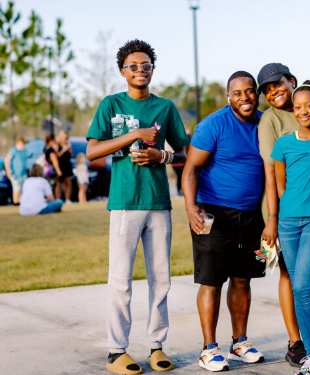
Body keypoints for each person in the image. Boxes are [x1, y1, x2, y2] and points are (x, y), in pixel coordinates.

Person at [86, 39, 189, 375]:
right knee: (120, 280)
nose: (140, 70)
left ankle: (156, 346)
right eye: (133, 66)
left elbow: (186, 154)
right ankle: (117, 351)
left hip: (159, 201)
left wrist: (162, 155)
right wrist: (134, 136)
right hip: (125, 203)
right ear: (123, 72)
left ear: (152, 70)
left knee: (161, 279)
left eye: (146, 65)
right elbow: (92, 152)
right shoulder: (110, 104)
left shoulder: (166, 107)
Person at [256, 63, 310, 367]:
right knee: (297, 284)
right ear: (294, 110)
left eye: (309, 106)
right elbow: (279, 184)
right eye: (299, 107)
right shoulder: (281, 141)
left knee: (306, 283)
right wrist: (275, 218)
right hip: (288, 221)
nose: (304, 111)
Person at [182, 71, 266, 372]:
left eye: (250, 91)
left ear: (256, 93)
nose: (245, 97)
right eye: (238, 92)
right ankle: (209, 348)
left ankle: (240, 341)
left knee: (243, 279)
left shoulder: (265, 122)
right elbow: (190, 168)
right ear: (229, 96)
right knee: (211, 280)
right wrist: (191, 208)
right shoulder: (213, 125)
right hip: (213, 213)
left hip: (253, 216)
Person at [5, 137, 28, 205]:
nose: (22, 146)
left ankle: (21, 201)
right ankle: (16, 202)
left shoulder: (25, 151)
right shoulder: (13, 150)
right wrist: (8, 171)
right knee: (16, 188)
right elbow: (7, 161)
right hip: (15, 174)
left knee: (22, 188)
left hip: (24, 173)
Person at [171, 125, 191, 196]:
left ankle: (181, 191)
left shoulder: (187, 138)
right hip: (177, 162)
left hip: (183, 162)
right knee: (180, 176)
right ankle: (179, 191)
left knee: (182, 176)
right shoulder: (178, 138)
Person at [55, 131, 73, 203]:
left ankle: (67, 199)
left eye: (66, 138)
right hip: (60, 166)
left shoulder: (68, 144)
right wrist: (63, 150)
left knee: (67, 184)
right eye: (64, 137)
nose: (65, 139)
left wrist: (69, 149)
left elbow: (71, 155)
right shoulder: (57, 145)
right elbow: (56, 156)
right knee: (59, 184)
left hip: (67, 166)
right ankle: (58, 199)